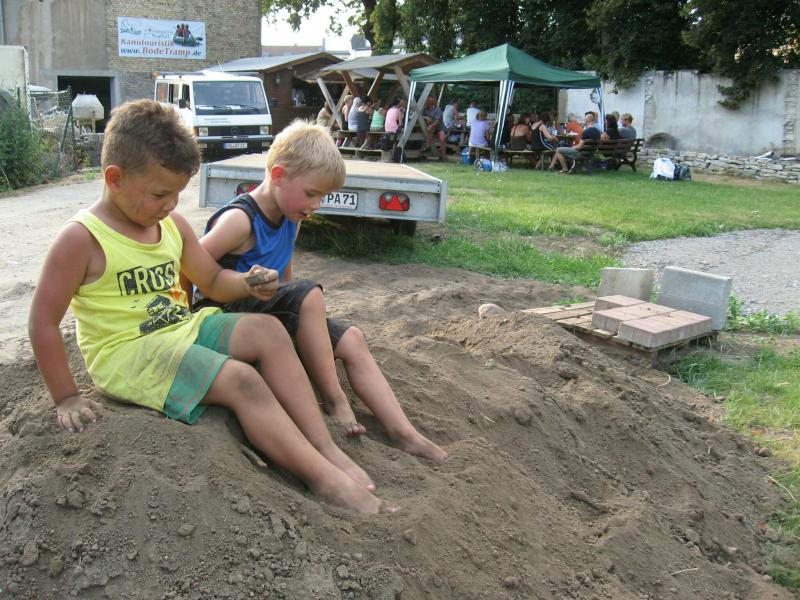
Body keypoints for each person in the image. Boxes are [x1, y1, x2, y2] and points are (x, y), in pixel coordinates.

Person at [28, 99, 391, 515]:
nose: (171, 205)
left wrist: (248, 282)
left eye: (177, 194)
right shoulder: (82, 239)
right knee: (241, 379)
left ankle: (325, 447)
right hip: (127, 354)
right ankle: (325, 480)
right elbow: (42, 322)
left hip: (179, 329)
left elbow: (214, 281)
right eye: (161, 194)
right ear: (115, 178)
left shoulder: (171, 225)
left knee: (269, 331)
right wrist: (66, 397)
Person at [193, 120, 447, 464]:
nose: (317, 204)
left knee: (352, 338)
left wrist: (299, 321)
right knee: (310, 294)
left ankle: (404, 434)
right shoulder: (240, 221)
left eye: (322, 196)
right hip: (224, 315)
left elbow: (286, 280)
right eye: (312, 193)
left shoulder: (292, 217)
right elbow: (190, 262)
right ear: (279, 175)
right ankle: (335, 401)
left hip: (264, 310)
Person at [421, 96, 447, 162]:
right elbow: (420, 116)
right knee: (431, 129)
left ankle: (443, 157)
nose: (426, 102)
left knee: (442, 139)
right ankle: (427, 146)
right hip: (430, 129)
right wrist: (426, 117)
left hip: (439, 127)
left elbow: (437, 121)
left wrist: (431, 125)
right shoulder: (425, 109)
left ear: (432, 102)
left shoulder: (438, 109)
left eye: (428, 101)